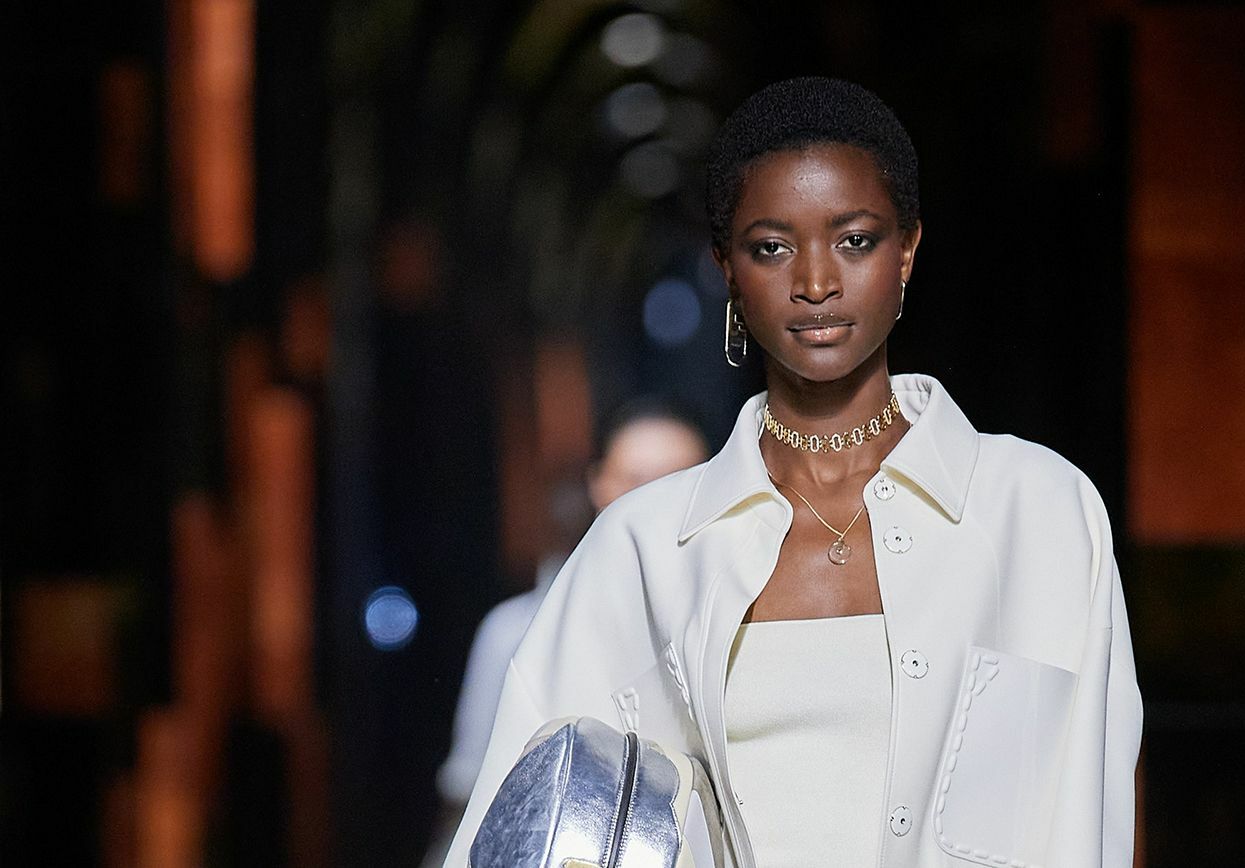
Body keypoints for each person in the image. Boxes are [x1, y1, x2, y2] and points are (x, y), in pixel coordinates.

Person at [445, 77, 1141, 867]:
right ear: (727, 269)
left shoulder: (1041, 514)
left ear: (908, 248)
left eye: (856, 240)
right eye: (772, 247)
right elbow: (517, 825)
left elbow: (1092, 814)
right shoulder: (643, 551)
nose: (816, 282)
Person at [429, 400, 708, 855]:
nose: (658, 499)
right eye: (637, 481)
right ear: (600, 485)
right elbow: (470, 793)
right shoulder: (518, 630)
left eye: (679, 478)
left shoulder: (747, 617)